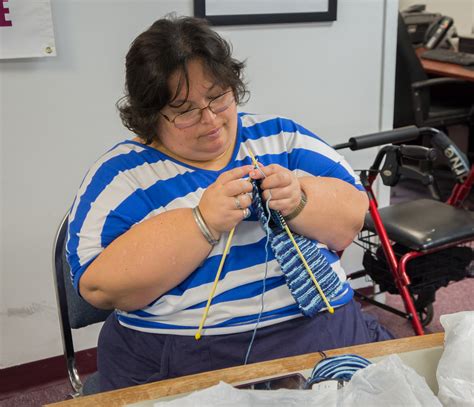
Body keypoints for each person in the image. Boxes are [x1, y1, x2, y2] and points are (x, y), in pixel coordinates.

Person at [66, 15, 393, 392]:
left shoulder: (281, 138)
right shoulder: (121, 176)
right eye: (185, 109)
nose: (210, 120)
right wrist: (202, 223)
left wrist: (301, 200)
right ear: (151, 113)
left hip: (323, 330)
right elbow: (99, 288)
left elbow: (354, 217)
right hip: (188, 356)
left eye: (218, 97)